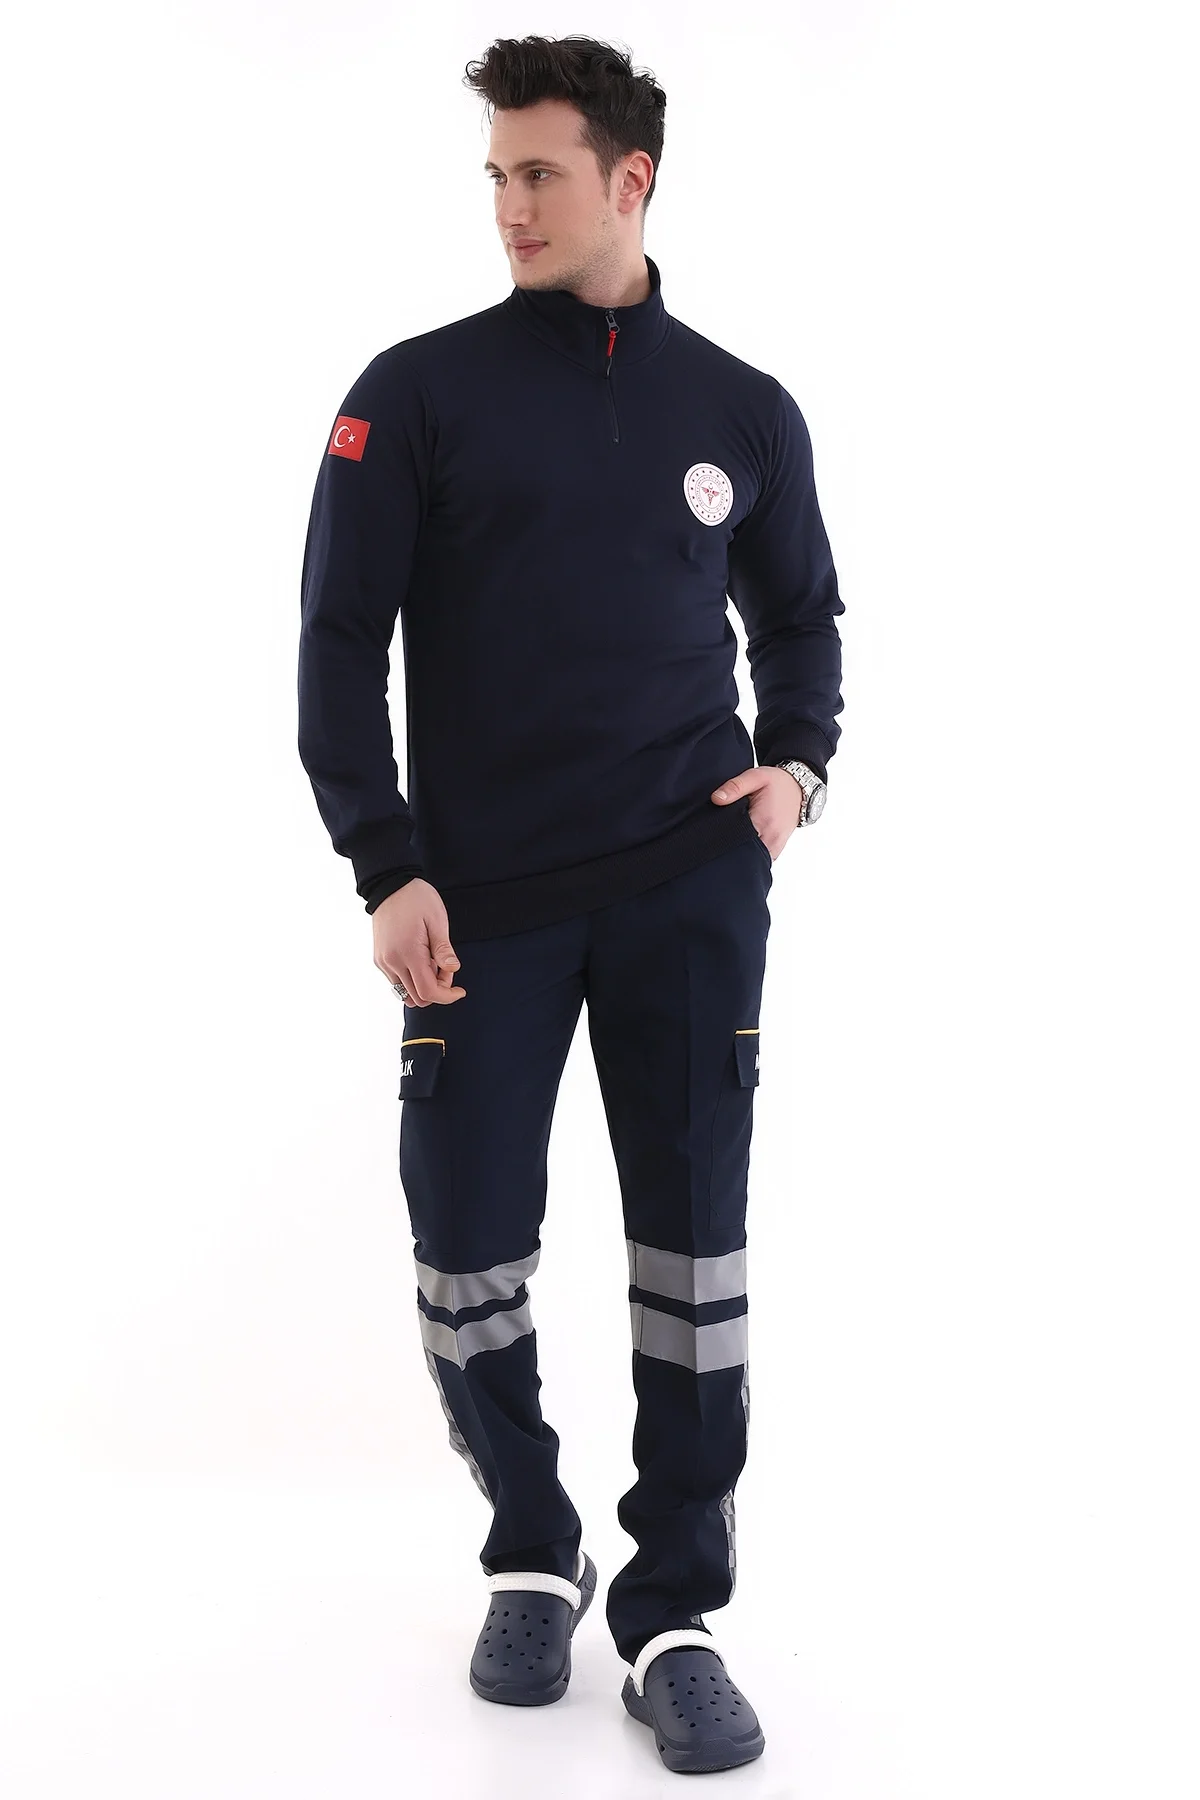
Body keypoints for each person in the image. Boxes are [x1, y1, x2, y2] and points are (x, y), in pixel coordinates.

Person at [297, 33, 844, 1776]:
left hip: (691, 890)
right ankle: (534, 1547)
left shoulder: (743, 408)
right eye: (496, 174)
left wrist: (796, 771)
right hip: (481, 909)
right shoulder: (416, 392)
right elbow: (336, 647)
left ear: (631, 179)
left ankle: (674, 1610)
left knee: (695, 1257)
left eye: (539, 172)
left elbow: (805, 618)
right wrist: (386, 862)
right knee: (465, 1248)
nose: (509, 205)